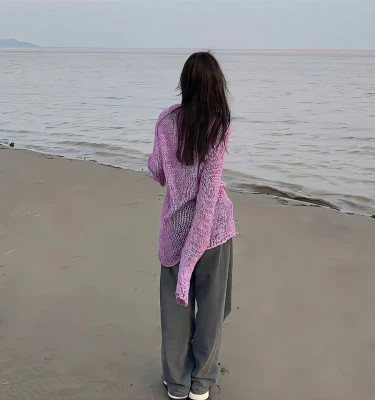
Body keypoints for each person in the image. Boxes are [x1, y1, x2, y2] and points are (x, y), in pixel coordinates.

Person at [148, 51, 237, 400]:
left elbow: (158, 172)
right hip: (215, 232)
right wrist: (194, 252)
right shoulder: (219, 125)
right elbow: (209, 196)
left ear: (185, 83)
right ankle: (201, 382)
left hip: (176, 228)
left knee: (175, 311)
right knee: (213, 309)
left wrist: (185, 260)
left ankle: (177, 382)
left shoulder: (166, 122)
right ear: (216, 86)